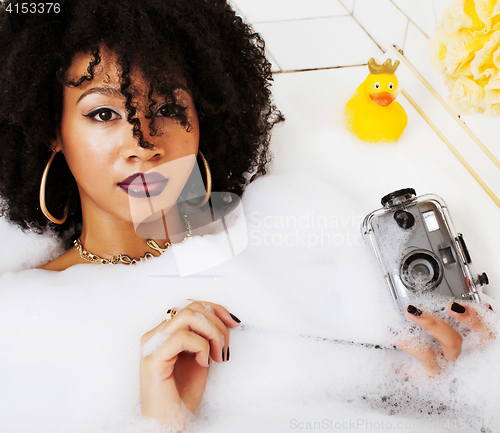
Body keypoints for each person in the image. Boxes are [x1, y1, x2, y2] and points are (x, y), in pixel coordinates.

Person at [0, 0, 282, 426]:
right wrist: (164, 421)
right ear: (52, 131)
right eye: (104, 113)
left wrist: (418, 377)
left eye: (168, 109)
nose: (143, 144)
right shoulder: (20, 319)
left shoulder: (272, 247)